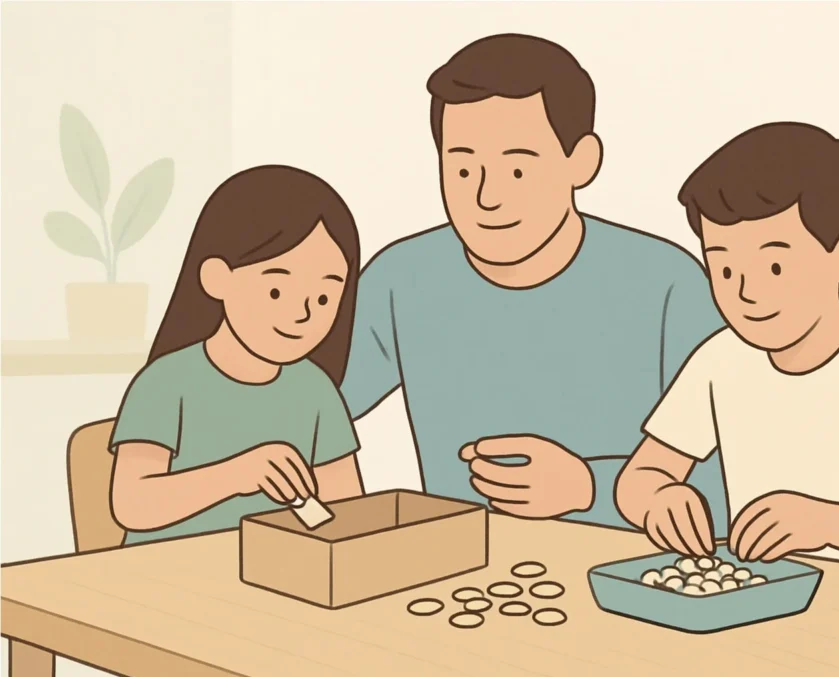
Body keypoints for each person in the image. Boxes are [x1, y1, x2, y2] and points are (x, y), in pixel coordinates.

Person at [341, 33, 727, 530]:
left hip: (630, 582)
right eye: (461, 169)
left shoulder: (668, 287)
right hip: (457, 576)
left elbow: (730, 487)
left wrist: (590, 488)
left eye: (518, 169)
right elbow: (299, 407)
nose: (486, 197)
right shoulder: (402, 280)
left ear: (582, 161)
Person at [616, 122, 839, 572]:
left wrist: (826, 522)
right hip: (760, 598)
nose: (746, 292)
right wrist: (659, 497)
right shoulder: (719, 359)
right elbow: (637, 479)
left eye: (776, 267)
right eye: (724, 270)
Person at [109, 165, 364, 544]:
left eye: (324, 297)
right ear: (217, 278)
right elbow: (131, 504)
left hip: (277, 578)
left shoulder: (316, 392)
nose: (303, 314)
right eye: (277, 291)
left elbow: (349, 510)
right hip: (168, 580)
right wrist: (237, 474)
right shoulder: (165, 384)